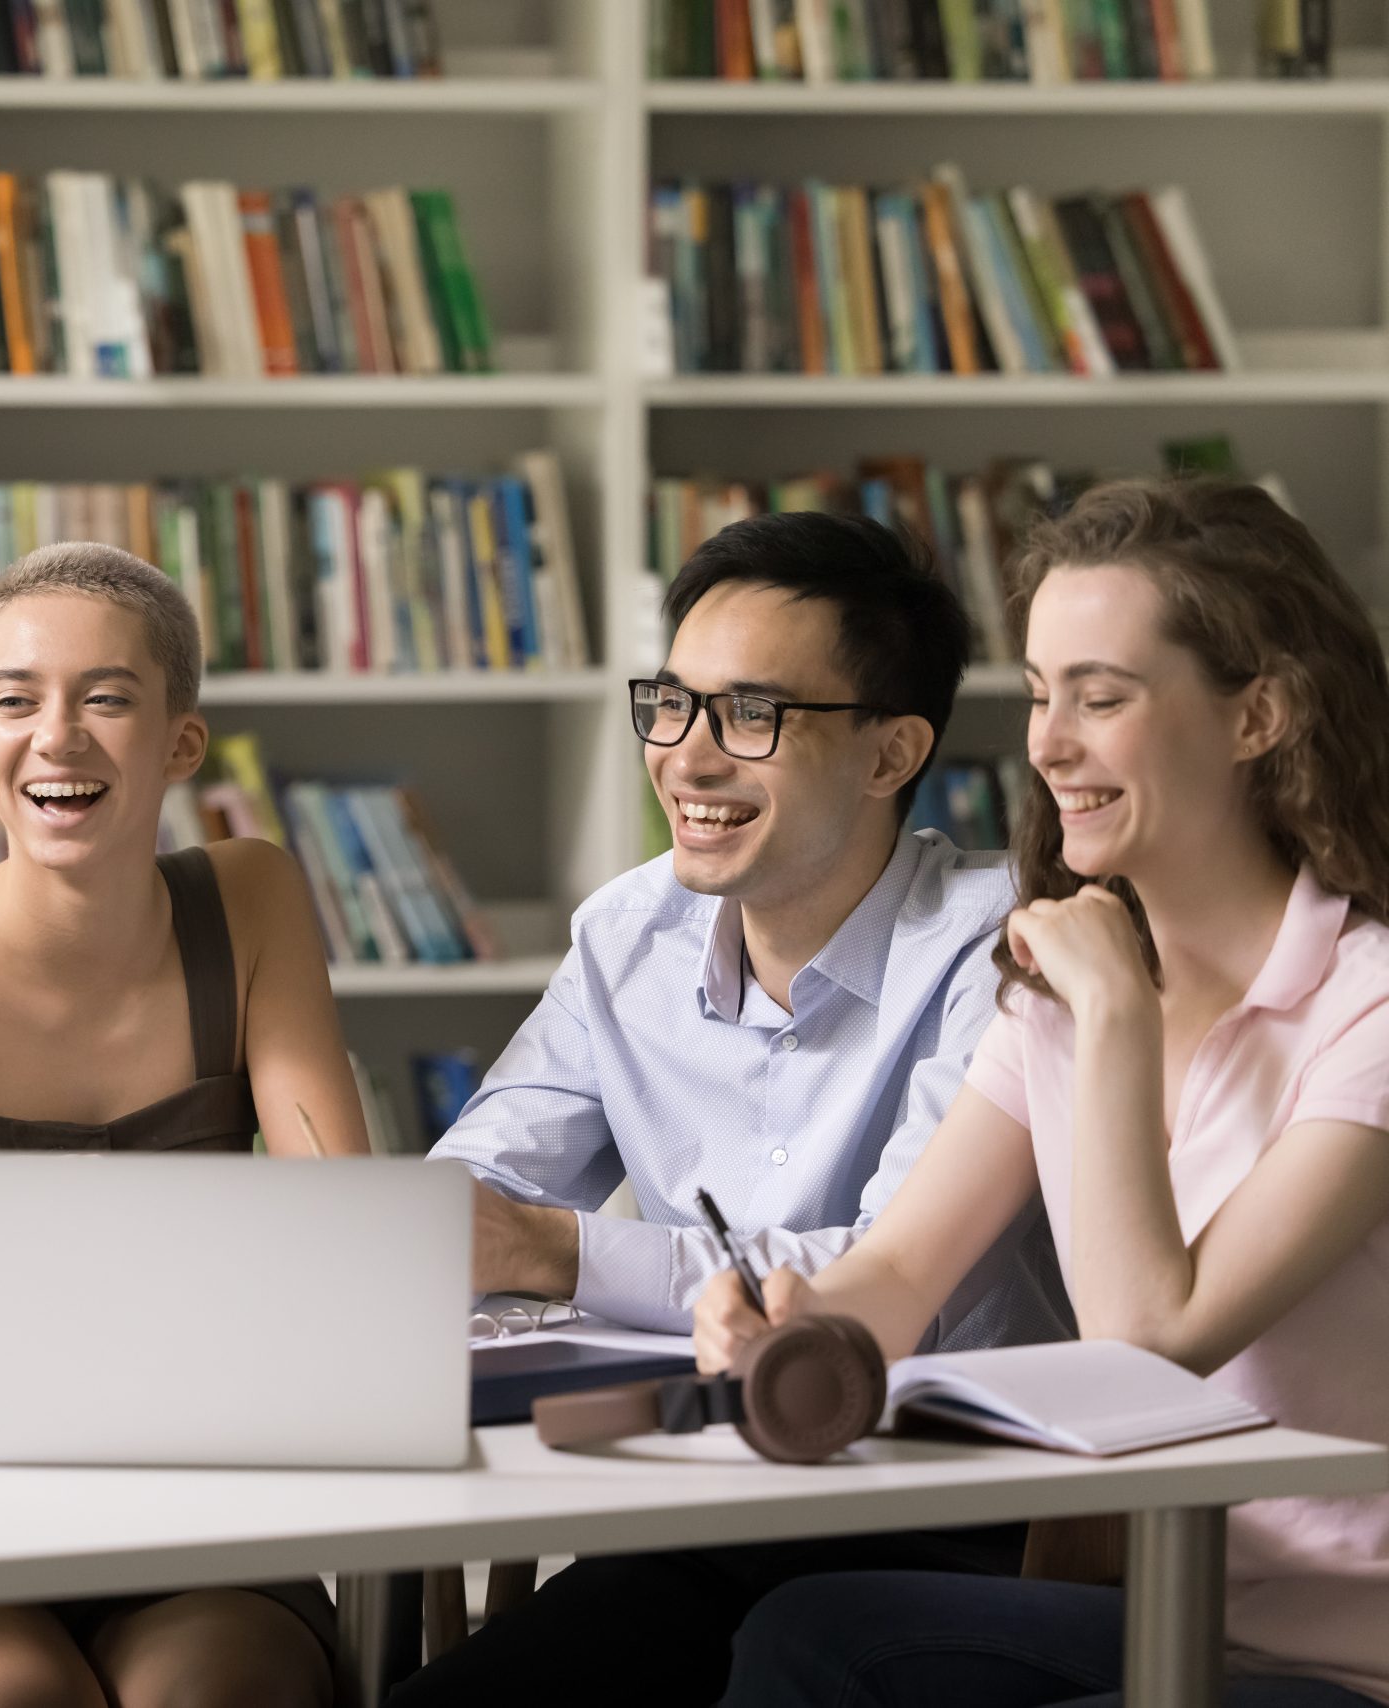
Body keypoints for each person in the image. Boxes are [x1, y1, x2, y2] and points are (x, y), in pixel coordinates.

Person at [702, 480, 1389, 1707]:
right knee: (804, 1634)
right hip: (1153, 1617)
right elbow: (903, 1275)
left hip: (1347, 1658)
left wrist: (1121, 1016)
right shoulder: (1059, 990)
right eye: (1036, 694)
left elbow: (1151, 1346)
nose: (1047, 743)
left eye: (1101, 697)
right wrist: (794, 1323)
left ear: (1258, 716)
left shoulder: (1364, 1007)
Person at [396, 509, 1071, 1708]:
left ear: (889, 752)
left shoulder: (1000, 945)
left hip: (952, 1511)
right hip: (707, 1504)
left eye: (750, 716)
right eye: (672, 703)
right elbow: (476, 1188)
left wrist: (552, 1250)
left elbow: (875, 1273)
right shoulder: (625, 932)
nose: (688, 759)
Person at [0, 542, 366, 1708]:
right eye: (16, 700)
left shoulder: (251, 896)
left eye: (106, 698)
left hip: (199, 1494)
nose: (60, 735)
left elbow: (341, 1230)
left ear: (180, 743)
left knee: (211, 1695)